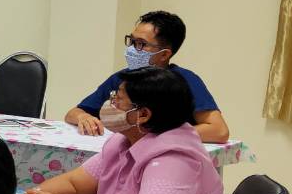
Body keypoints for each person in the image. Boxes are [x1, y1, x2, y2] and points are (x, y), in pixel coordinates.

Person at [19, 66, 229, 194]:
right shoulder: (125, 140)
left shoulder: (175, 155)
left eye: (117, 100)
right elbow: (76, 184)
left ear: (143, 115)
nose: (110, 105)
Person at [65, 10, 228, 143]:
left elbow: (219, 131)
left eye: (141, 44)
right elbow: (74, 112)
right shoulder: (123, 78)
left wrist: (155, 135)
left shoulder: (185, 81)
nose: (132, 49)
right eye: (131, 41)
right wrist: (83, 117)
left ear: (164, 55)